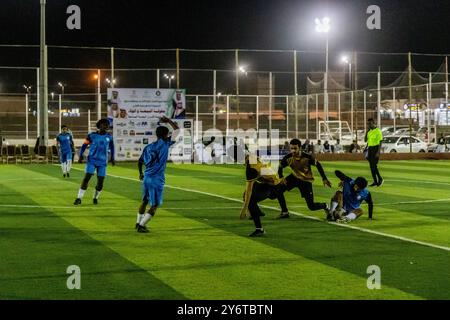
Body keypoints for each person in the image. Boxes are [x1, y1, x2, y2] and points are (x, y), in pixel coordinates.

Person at [136, 116, 179, 233]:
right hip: (156, 179)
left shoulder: (148, 147)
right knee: (154, 205)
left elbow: (140, 161)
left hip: (146, 177)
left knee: (144, 201)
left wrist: (140, 173)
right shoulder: (165, 144)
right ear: (166, 135)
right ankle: (141, 225)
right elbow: (178, 131)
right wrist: (169, 121)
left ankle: (137, 222)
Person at [276, 139, 332, 219]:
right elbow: (280, 166)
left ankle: (325, 206)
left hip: (306, 181)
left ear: (300, 148)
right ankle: (285, 212)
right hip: (294, 178)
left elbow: (318, 165)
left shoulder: (307, 157)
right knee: (278, 190)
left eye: (295, 148)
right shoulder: (288, 157)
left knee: (311, 206)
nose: (293, 150)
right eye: (291, 148)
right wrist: (281, 177)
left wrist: (324, 178)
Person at [240, 154, 285, 237]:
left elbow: (249, 190)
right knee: (246, 194)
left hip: (273, 187)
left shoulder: (251, 167)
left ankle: (259, 229)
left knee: (250, 200)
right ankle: (258, 212)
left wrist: (244, 209)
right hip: (269, 182)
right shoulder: (252, 158)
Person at [74, 119, 115, 206]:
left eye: (107, 125)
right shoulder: (91, 135)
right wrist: (81, 155)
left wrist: (113, 158)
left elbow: (112, 147)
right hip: (92, 160)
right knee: (87, 178)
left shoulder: (109, 137)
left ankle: (95, 197)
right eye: (104, 124)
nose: (106, 126)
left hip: (103, 162)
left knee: (100, 182)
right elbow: (84, 145)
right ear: (99, 125)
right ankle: (79, 198)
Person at [365, 119, 384, 187]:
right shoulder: (369, 131)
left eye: (370, 124)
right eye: (368, 124)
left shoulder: (378, 131)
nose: (369, 125)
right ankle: (376, 181)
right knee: (372, 166)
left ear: (374, 123)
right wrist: (366, 132)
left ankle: (380, 179)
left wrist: (378, 152)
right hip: (370, 149)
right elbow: (365, 140)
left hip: (376, 149)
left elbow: (380, 141)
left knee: (373, 166)